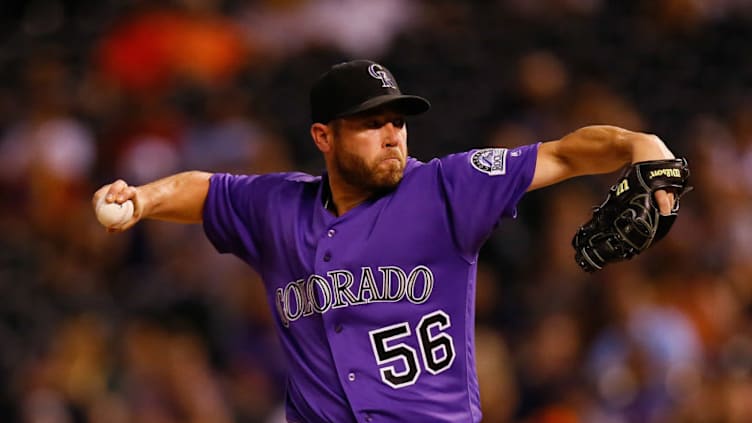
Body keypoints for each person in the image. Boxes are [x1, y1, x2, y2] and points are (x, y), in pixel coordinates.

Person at [93, 60, 677, 422]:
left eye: (397, 120)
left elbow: (563, 153)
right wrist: (142, 199)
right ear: (324, 136)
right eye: (372, 123)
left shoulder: (448, 186)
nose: (392, 134)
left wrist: (638, 143)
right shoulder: (277, 206)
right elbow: (203, 189)